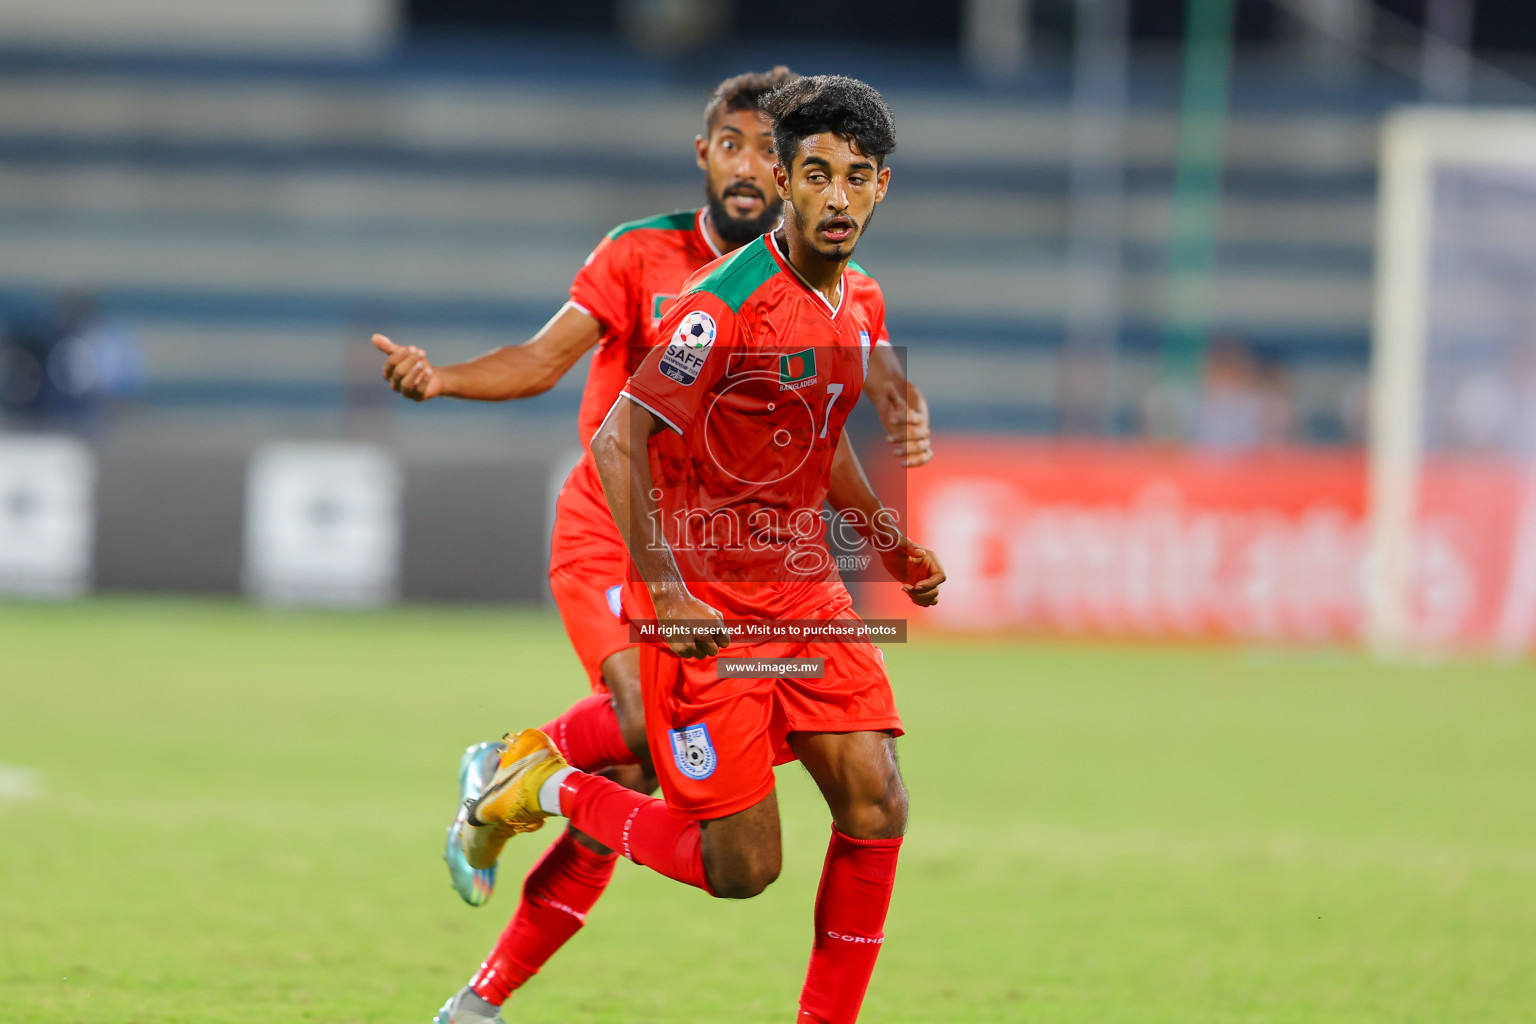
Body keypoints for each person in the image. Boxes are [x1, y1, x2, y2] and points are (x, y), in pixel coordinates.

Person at [370, 68, 933, 1024]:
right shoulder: (716, 301)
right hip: (699, 588)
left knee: (877, 801)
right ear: (786, 181)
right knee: (739, 867)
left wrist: (886, 536)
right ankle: (543, 780)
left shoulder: (863, 302)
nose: (837, 193)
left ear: (883, 187)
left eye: (860, 175)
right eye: (818, 172)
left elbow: (818, 429)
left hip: (803, 594)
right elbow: (616, 438)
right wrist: (669, 591)